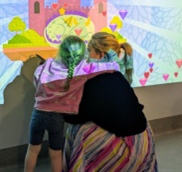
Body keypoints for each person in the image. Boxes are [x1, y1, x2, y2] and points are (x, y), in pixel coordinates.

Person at [63, 33, 158, 172]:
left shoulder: (94, 80)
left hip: (127, 149)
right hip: (143, 143)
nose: (86, 56)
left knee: (76, 130)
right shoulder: (117, 75)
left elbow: (74, 116)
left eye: (89, 51)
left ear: (101, 55)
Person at [24, 35, 120, 172]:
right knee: (56, 154)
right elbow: (115, 66)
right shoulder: (84, 69)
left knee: (32, 150)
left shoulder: (47, 64)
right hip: (57, 119)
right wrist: (109, 50)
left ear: (61, 50)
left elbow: (36, 82)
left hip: (38, 114)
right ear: (82, 53)